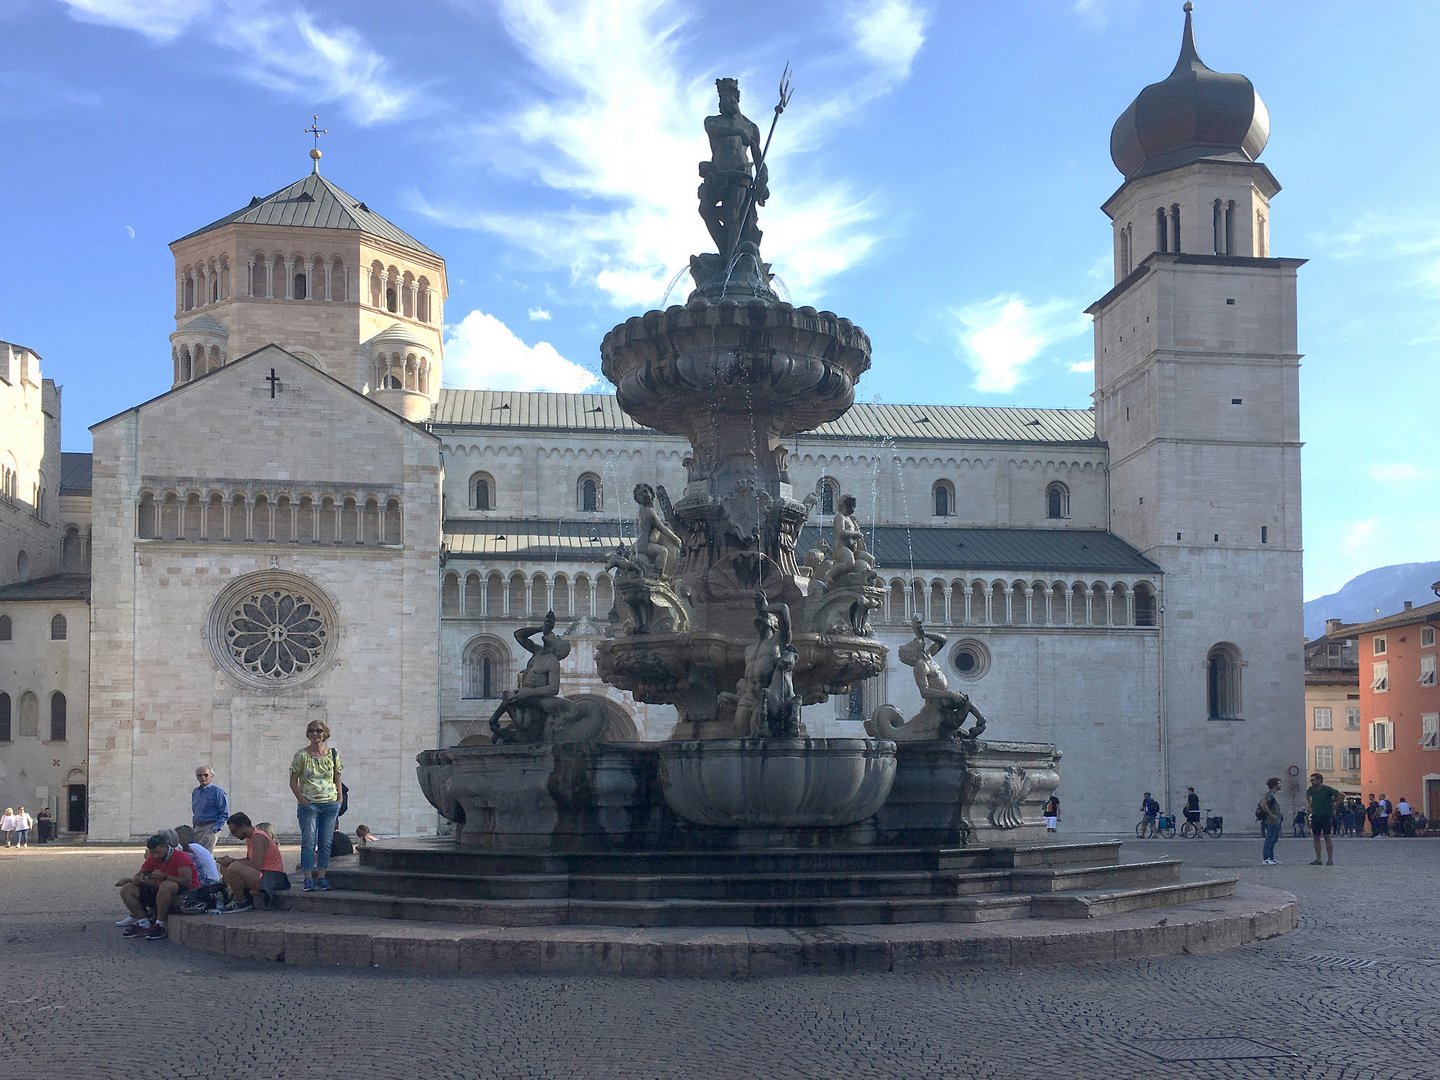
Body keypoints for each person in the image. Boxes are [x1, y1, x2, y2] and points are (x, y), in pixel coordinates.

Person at [289, 720, 342, 892]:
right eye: (311, 730)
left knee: (326, 843)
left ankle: (322, 877)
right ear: (308, 733)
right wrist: (304, 801)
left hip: (329, 803)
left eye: (319, 731)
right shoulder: (301, 755)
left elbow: (337, 777)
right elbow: (293, 781)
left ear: (325, 733)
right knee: (309, 842)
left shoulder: (333, 753)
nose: (315, 734)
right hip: (309, 805)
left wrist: (339, 800)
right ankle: (307, 878)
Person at [115, 833, 198, 940]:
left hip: (184, 895)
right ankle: (144, 923)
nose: (155, 856)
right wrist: (139, 879)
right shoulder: (152, 858)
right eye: (153, 853)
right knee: (127, 889)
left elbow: (187, 881)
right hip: (159, 892)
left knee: (167, 885)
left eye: (158, 852)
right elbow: (139, 875)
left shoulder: (181, 857)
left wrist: (164, 877)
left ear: (166, 847)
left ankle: (160, 924)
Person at [215, 812, 289, 912]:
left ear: (243, 826)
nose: (234, 835)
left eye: (234, 831)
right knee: (225, 867)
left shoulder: (257, 836)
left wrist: (232, 861)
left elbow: (256, 865)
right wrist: (229, 861)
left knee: (233, 867)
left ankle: (240, 901)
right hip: (264, 875)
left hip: (271, 877)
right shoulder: (250, 838)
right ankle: (242, 896)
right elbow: (249, 860)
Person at [190, 766, 229, 852]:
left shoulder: (217, 791)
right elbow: (195, 811)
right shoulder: (195, 792)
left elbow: (224, 812)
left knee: (206, 854)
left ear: (211, 776)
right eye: (199, 775)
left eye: (206, 775)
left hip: (210, 827)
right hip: (197, 828)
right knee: (196, 854)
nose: (203, 777)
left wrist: (215, 829)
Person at [1306, 772, 1342, 865]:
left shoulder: (1327, 789)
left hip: (1326, 815)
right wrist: (1309, 806)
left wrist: (1334, 807)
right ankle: (1318, 859)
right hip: (1315, 816)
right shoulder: (1310, 790)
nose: (1312, 782)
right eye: (1311, 780)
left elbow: (1341, 795)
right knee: (1316, 837)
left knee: (1327, 836)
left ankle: (1330, 859)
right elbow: (1307, 797)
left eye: (1313, 780)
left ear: (1319, 780)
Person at [1258, 777, 1284, 864]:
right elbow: (1263, 804)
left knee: (1274, 839)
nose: (1281, 785)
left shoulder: (1274, 794)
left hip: (1276, 821)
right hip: (1271, 821)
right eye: (1279, 783)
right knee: (1269, 838)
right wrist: (1271, 814)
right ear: (1274, 785)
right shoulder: (1269, 794)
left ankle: (1271, 857)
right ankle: (1266, 858)